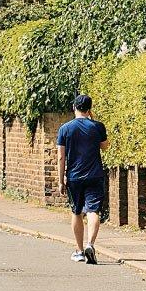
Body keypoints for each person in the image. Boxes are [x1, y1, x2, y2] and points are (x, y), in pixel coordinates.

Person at [57, 94, 109, 265]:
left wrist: (60, 180)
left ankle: (79, 251)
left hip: (74, 177)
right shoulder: (97, 127)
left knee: (76, 212)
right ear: (89, 109)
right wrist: (93, 121)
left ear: (74, 107)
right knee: (93, 211)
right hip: (95, 175)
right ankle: (90, 244)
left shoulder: (65, 129)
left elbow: (61, 157)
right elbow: (105, 147)